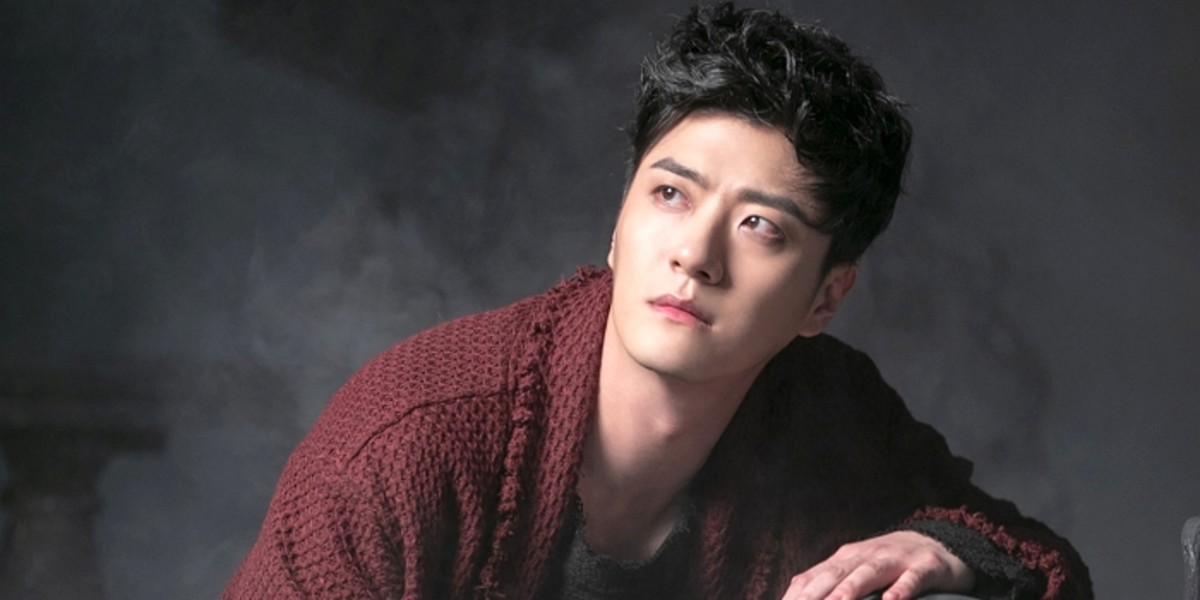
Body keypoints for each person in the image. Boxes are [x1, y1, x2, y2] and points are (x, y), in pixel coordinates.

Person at [224, 4, 1092, 599]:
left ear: (825, 296)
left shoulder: (829, 411)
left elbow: (1040, 562)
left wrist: (938, 549)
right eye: (671, 194)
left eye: (759, 226)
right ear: (618, 224)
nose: (694, 256)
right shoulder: (408, 442)